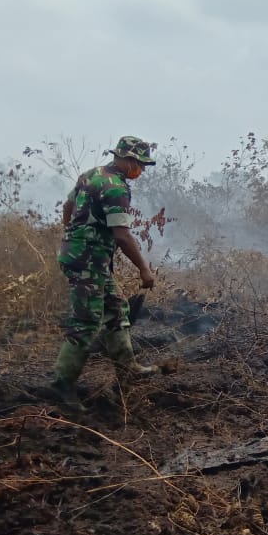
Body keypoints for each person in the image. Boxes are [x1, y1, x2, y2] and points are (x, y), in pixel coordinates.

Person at [37, 136, 160, 406]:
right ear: (128, 160)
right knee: (87, 321)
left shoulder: (91, 175)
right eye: (139, 164)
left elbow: (68, 206)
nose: (141, 170)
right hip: (87, 261)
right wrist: (144, 269)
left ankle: (128, 369)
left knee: (116, 308)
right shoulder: (116, 188)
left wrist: (71, 234)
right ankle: (61, 385)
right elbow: (122, 235)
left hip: (86, 257)